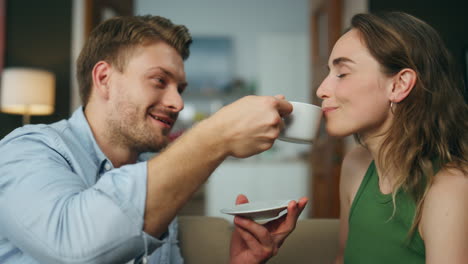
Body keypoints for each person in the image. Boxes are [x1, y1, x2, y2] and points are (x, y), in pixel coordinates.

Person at [0, 15, 308, 264]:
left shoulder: (153, 172)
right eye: (160, 81)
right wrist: (217, 134)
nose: (177, 102)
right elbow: (73, 247)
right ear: (104, 78)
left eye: (180, 88)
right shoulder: (27, 150)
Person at [316, 12, 467, 263]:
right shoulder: (355, 165)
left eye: (342, 73)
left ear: (399, 85)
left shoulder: (451, 189)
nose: (322, 89)